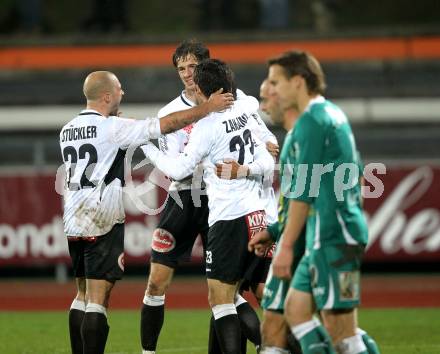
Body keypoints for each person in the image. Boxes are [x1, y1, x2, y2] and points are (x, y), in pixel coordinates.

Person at [59, 70, 233, 354]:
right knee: (98, 299)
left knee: (81, 293)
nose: (122, 93)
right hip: (102, 216)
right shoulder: (113, 128)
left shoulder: (67, 129)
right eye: (118, 89)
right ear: (106, 96)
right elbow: (167, 124)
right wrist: (207, 108)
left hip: (73, 218)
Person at [140, 40, 275, 354]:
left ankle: (268, 345)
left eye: (192, 67)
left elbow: (260, 131)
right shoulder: (171, 113)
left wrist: (268, 142)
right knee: (158, 280)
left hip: (223, 199)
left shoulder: (234, 101)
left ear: (203, 70)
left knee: (234, 289)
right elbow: (180, 168)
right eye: (181, 68)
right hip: (188, 197)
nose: (187, 74)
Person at [265, 50, 379, 354]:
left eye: (276, 82)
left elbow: (303, 192)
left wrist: (285, 247)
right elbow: (358, 177)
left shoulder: (311, 122)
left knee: (341, 331)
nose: (272, 89)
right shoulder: (332, 114)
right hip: (330, 232)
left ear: (299, 81)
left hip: (331, 234)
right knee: (297, 310)